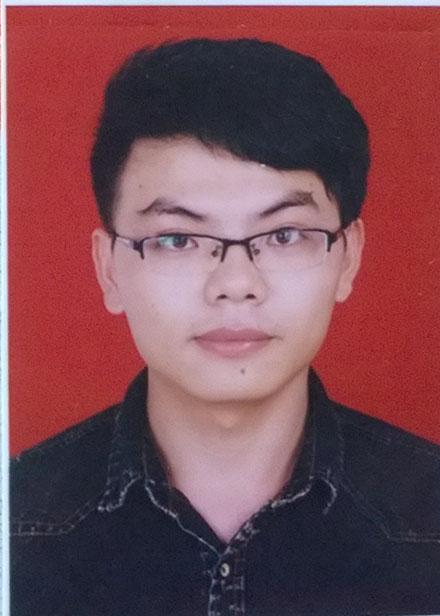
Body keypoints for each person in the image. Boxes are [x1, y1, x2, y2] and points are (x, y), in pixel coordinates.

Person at [10, 38, 440, 616]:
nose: (236, 283)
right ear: (109, 268)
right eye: (177, 239)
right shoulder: (16, 525)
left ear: (349, 259)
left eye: (284, 235)